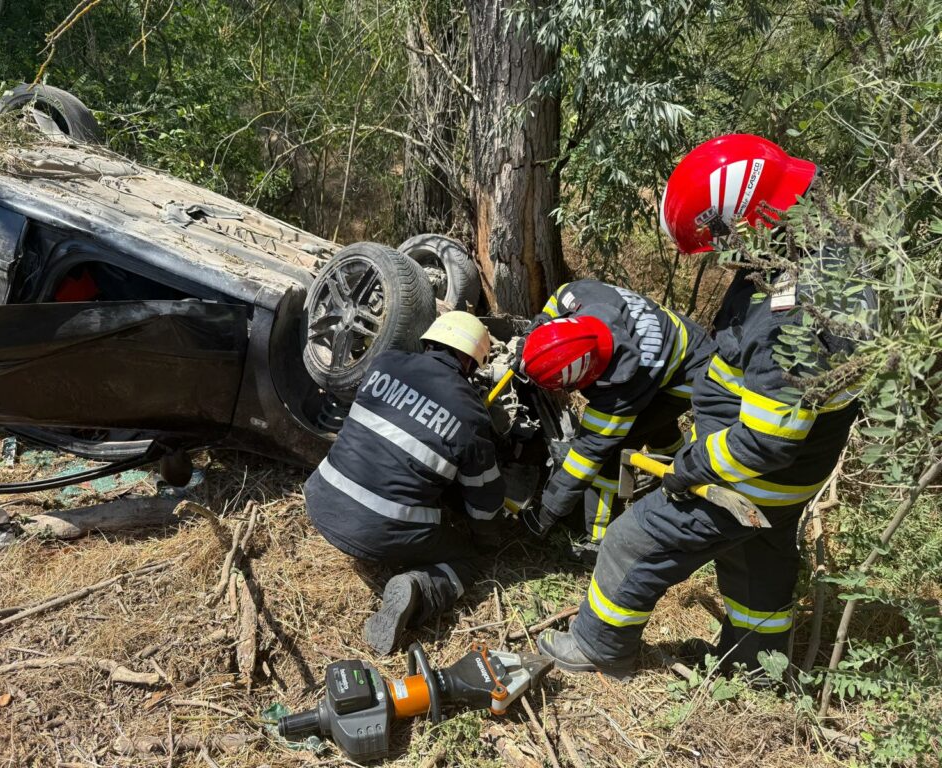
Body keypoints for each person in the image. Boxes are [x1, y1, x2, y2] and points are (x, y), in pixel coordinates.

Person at [537, 134, 874, 678]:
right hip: (791, 479)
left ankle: (599, 647)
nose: (721, 252)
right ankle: (757, 669)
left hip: (751, 477)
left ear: (743, 214)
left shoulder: (790, 313)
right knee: (757, 564)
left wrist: (692, 466)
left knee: (631, 541)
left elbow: (764, 442)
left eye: (719, 237)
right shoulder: (816, 258)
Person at [304, 311, 506, 656]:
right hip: (377, 531)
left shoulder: (384, 363)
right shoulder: (470, 415)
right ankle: (419, 590)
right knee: (469, 561)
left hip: (320, 497)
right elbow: (484, 501)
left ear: (429, 341)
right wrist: (486, 540)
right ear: (472, 362)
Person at [517, 280, 714, 556]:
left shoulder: (623, 387)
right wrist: (531, 339)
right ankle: (670, 464)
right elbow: (553, 306)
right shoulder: (577, 294)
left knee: (616, 450)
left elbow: (588, 455)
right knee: (654, 425)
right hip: (679, 344)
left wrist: (547, 511)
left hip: (690, 373)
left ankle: (598, 537)